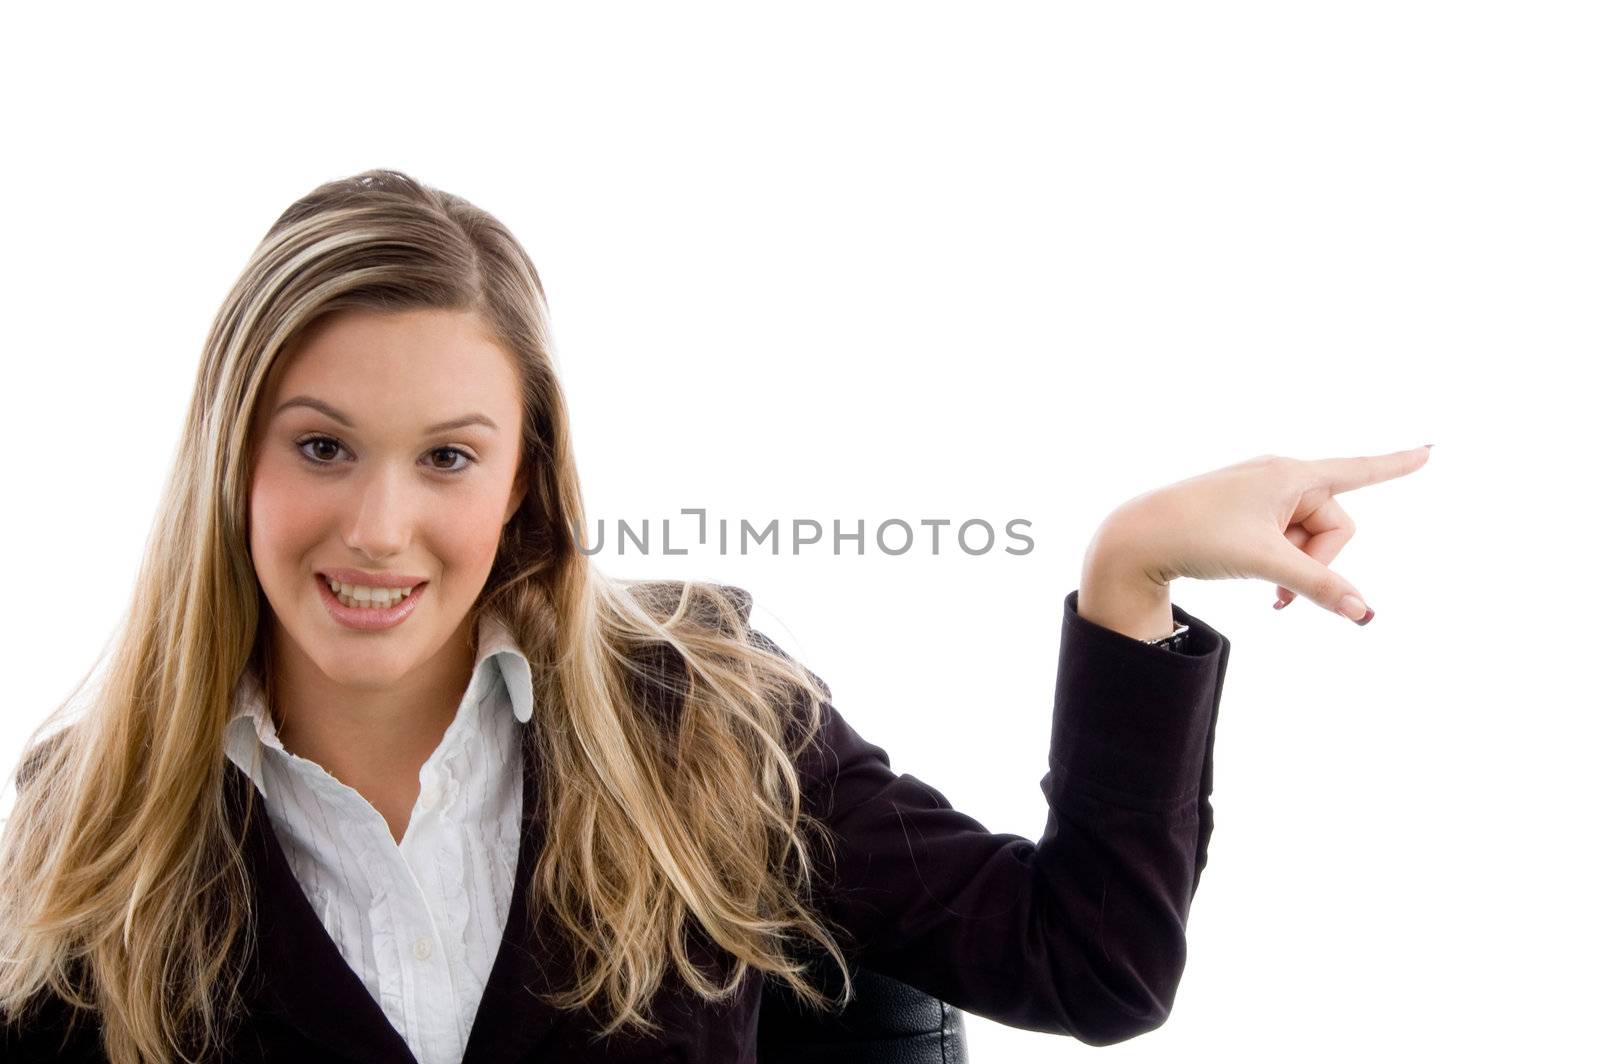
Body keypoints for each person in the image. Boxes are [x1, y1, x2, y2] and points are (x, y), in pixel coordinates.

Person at [0, 168, 1431, 1064]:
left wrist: (1131, 572)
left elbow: (1091, 964)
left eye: (447, 457)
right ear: (231, 461)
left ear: (523, 484)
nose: (379, 527)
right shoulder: (97, 822)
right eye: (320, 446)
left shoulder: (706, 723)